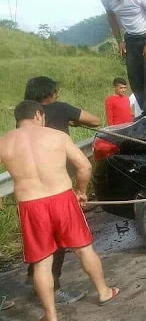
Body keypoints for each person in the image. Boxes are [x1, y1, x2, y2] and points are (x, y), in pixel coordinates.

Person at [0, 101, 119, 321]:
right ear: (38, 115)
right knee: (84, 249)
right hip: (62, 199)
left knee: (42, 263)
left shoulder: (4, 142)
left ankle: (51, 316)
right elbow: (84, 167)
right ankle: (103, 292)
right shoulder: (56, 137)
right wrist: (81, 191)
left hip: (31, 205)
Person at [22, 77, 101, 304]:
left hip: (31, 191)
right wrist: (81, 190)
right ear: (50, 93)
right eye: (55, 92)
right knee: (64, 242)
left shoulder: (25, 118)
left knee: (41, 241)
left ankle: (34, 277)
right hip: (59, 186)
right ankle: (53, 287)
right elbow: (95, 121)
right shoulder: (61, 108)